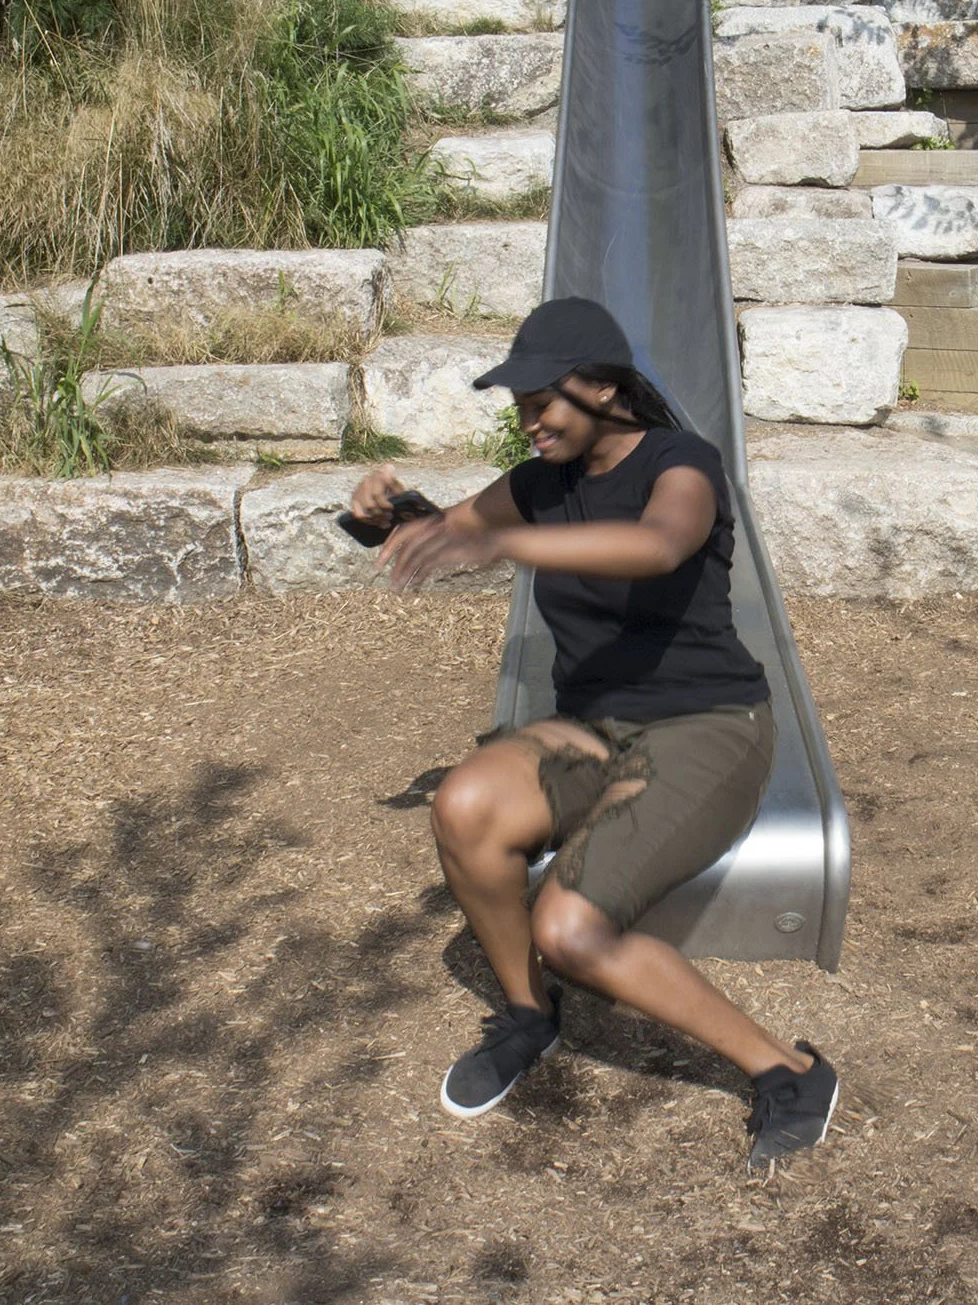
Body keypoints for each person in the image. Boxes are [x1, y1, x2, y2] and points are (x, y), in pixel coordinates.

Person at [345, 296, 839, 1167]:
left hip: (708, 724)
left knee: (570, 928)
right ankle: (530, 1016)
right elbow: (446, 529)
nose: (528, 420)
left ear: (606, 389)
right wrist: (380, 509)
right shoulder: (539, 485)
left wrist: (510, 548)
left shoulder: (682, 463)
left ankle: (788, 1070)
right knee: (464, 804)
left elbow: (657, 544)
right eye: (520, 404)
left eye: (544, 401)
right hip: (594, 726)